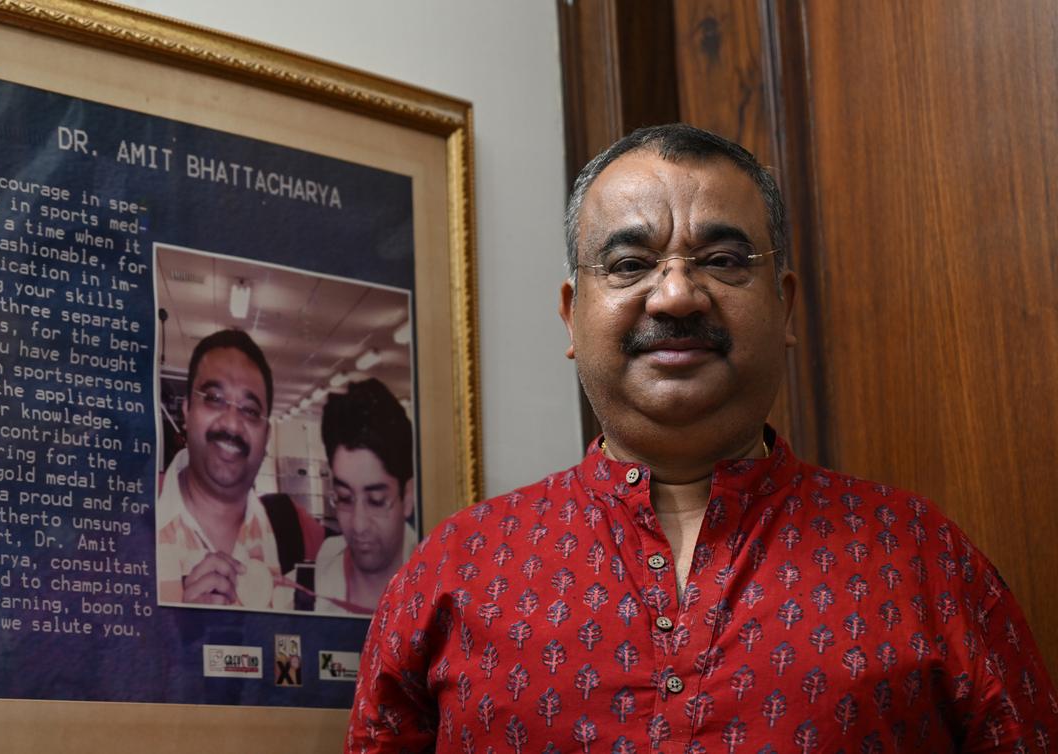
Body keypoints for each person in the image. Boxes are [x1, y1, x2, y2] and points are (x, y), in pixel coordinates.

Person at [347, 125, 1057, 751]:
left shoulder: (923, 561)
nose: (677, 295)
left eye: (722, 260)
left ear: (783, 306)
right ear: (571, 315)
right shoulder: (453, 573)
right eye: (630, 265)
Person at [156, 329, 322, 610]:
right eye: (214, 398)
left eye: (250, 410)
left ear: (266, 434)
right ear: (186, 412)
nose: (232, 425)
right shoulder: (128, 522)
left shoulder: (302, 535)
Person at [316, 378, 417, 615]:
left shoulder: (438, 585)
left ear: (408, 497)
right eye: (344, 497)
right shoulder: (310, 585)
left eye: (376, 501)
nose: (358, 525)